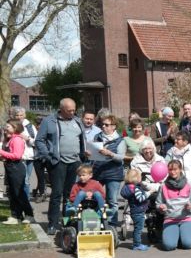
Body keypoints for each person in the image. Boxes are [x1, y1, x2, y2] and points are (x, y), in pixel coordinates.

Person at [36, 98, 86, 234]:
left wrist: (83, 153)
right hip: (58, 163)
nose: (72, 112)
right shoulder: (49, 121)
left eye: (74, 110)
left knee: (69, 194)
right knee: (57, 194)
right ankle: (52, 224)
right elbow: (39, 140)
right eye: (69, 110)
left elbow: (82, 139)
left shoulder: (77, 120)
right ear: (61, 108)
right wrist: (48, 156)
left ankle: (66, 223)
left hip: (75, 162)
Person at [90, 115, 126, 227]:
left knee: (112, 200)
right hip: (98, 172)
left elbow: (121, 157)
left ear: (114, 126)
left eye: (107, 125)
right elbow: (92, 153)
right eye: (103, 124)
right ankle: (97, 221)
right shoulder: (97, 137)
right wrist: (88, 154)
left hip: (113, 173)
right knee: (95, 197)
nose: (104, 126)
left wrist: (109, 154)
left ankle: (112, 224)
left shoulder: (120, 140)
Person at [156, 160, 191, 251]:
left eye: (175, 169)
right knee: (169, 246)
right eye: (170, 170)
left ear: (180, 169)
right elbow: (158, 203)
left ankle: (181, 236)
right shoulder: (163, 186)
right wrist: (161, 207)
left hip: (186, 218)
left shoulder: (189, 184)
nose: (172, 172)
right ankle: (176, 236)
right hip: (170, 219)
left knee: (188, 245)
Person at [1, 119, 35, 224]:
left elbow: (17, 156)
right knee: (12, 193)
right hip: (10, 167)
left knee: (19, 193)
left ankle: (29, 215)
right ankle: (16, 216)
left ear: (15, 128)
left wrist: (1, 151)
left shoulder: (17, 140)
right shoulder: (9, 139)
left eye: (8, 127)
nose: (6, 128)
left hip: (16, 168)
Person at [120, 169, 151, 251]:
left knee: (137, 228)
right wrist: (149, 193)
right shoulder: (136, 189)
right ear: (136, 178)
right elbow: (140, 198)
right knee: (138, 229)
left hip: (134, 211)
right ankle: (137, 244)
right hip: (138, 211)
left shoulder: (129, 187)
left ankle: (136, 243)